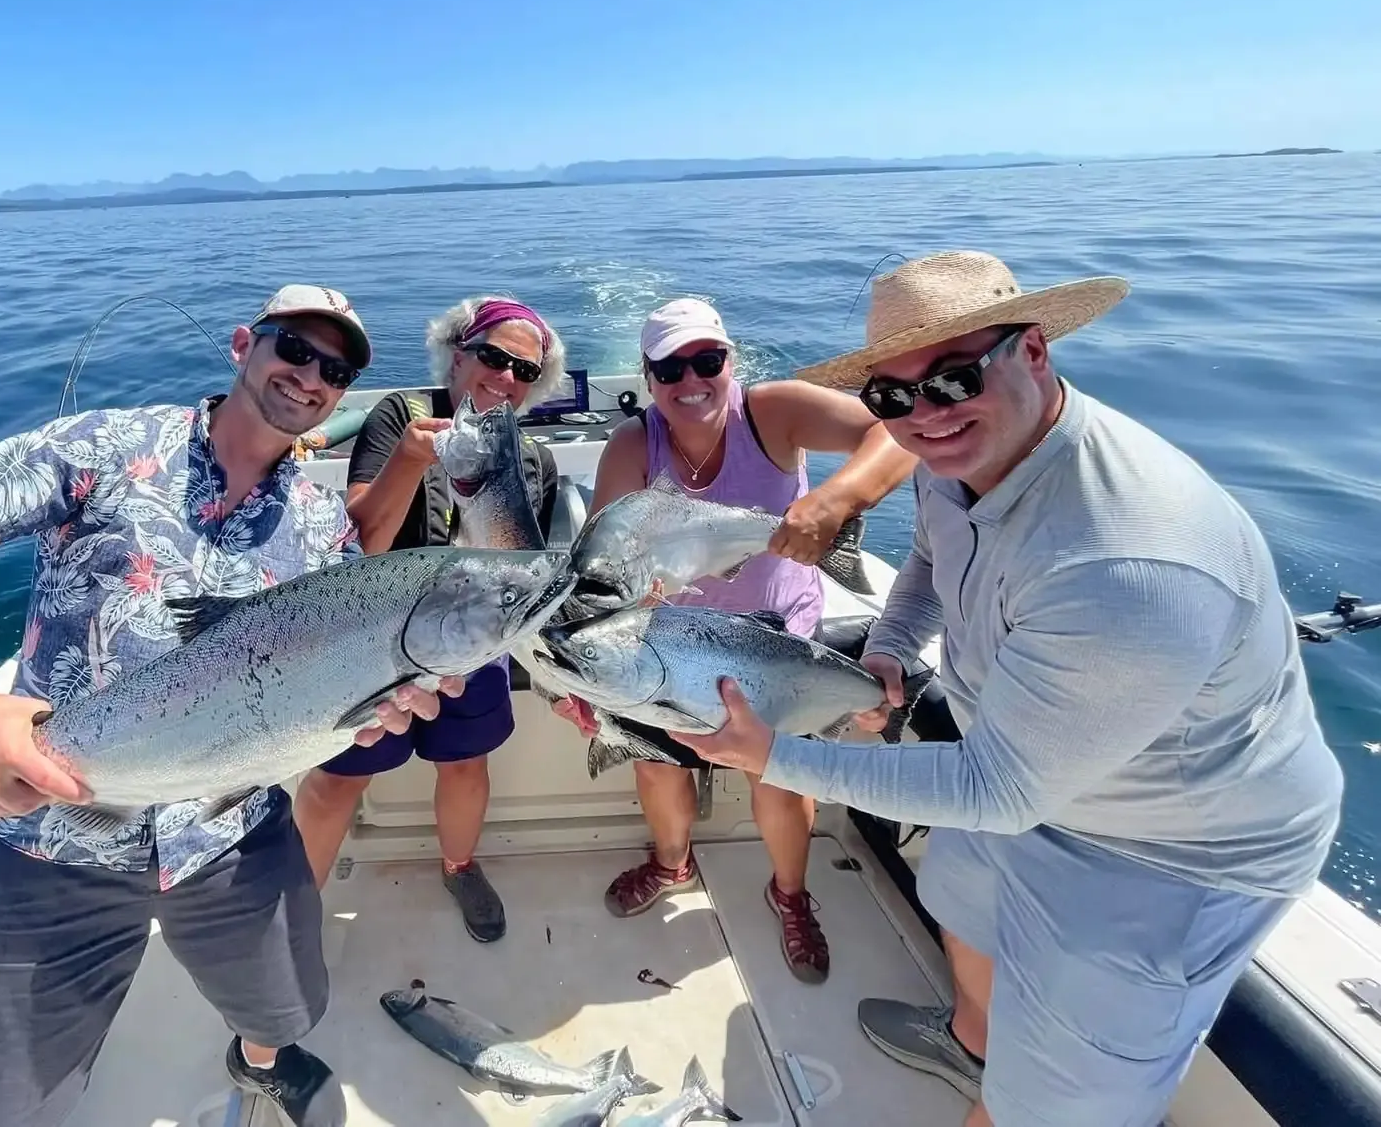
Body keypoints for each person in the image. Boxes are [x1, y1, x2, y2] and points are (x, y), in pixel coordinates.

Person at [669, 251, 1345, 1127]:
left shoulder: (1124, 559)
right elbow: (926, 555)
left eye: (953, 379)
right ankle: (973, 1042)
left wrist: (776, 757)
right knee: (961, 901)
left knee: (1054, 1109)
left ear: (1033, 351)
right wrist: (892, 649)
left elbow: (997, 790)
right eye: (892, 397)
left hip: (1171, 853)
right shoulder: (968, 457)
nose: (926, 416)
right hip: (1027, 774)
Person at [0, 285, 460, 1127]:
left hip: (232, 838)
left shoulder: (320, 527)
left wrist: (375, 701)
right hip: (53, 840)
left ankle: (260, 1059)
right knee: (10, 1104)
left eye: (334, 370)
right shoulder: (105, 446)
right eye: (293, 349)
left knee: (285, 1007)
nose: (310, 377)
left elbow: (325, 686)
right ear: (244, 344)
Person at [549, 296, 917, 983]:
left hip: (776, 640)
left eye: (706, 360)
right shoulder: (634, 444)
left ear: (731, 361)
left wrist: (833, 504)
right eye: (669, 368)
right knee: (658, 765)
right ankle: (670, 862)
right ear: (648, 377)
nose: (691, 380)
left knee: (777, 782)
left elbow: (898, 432)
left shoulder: (774, 411)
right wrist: (577, 683)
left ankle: (790, 892)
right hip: (671, 642)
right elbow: (602, 573)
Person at [293, 295, 568, 942]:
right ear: (457, 354)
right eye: (493, 357)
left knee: (466, 766)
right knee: (337, 781)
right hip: (376, 647)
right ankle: (299, 904)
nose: (505, 378)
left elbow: (523, 574)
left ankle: (459, 866)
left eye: (523, 371)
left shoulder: (536, 462)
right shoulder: (403, 417)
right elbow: (360, 542)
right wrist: (412, 461)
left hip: (472, 648)